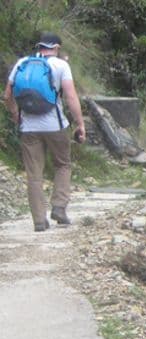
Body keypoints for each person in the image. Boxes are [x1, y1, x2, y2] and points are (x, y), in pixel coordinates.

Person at [3, 32, 86, 232]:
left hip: (29, 128)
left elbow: (7, 96)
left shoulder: (22, 63)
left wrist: (16, 116)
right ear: (56, 47)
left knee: (34, 175)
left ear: (40, 47)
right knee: (63, 165)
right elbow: (71, 97)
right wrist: (80, 123)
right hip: (55, 126)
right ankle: (58, 207)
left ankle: (39, 221)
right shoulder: (61, 65)